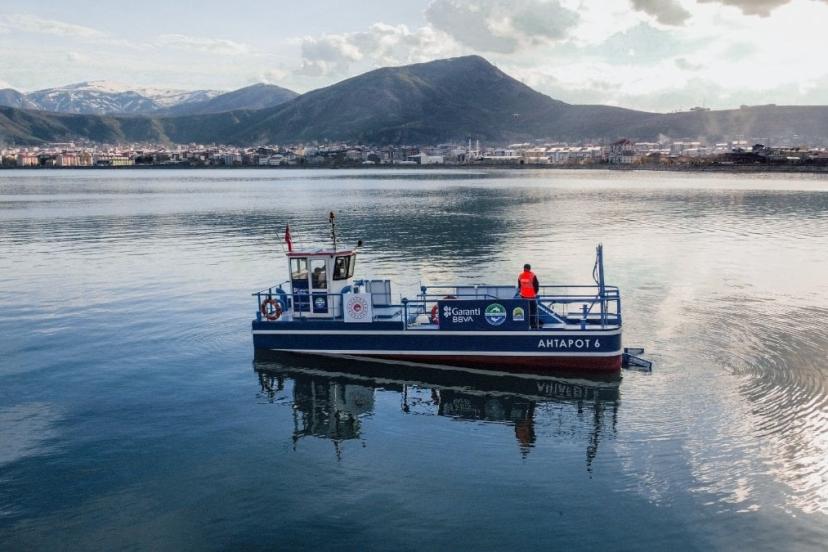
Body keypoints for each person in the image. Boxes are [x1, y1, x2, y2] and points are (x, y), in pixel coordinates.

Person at [518, 263, 540, 329]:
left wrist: (521, 292)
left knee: (525, 310)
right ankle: (533, 325)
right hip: (531, 297)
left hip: (523, 296)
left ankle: (525, 323)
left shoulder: (520, 275)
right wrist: (535, 293)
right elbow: (536, 285)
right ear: (529, 269)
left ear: (524, 268)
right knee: (533, 311)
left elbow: (519, 286)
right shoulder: (532, 275)